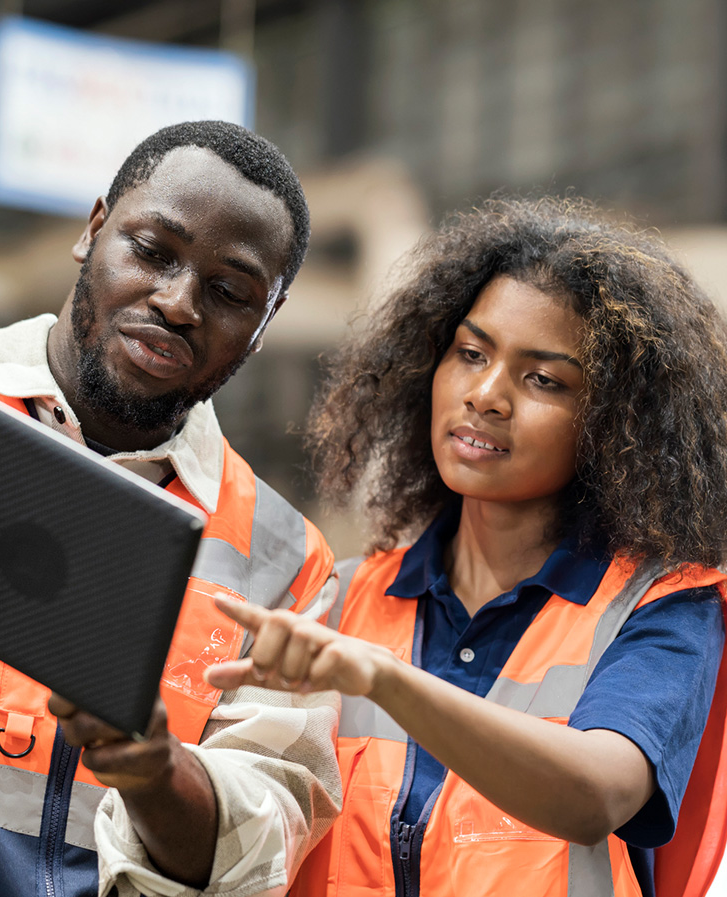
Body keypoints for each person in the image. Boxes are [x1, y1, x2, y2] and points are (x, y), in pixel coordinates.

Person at [204, 195, 727, 897]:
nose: (486, 394)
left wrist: (386, 678)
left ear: (615, 422)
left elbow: (598, 794)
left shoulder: (665, 609)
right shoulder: (342, 596)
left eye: (543, 379)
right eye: (471, 353)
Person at [0, 121, 341, 897]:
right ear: (94, 228)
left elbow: (265, 842)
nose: (177, 303)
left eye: (230, 291)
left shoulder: (285, 561)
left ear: (265, 325)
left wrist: (158, 771)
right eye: (152, 250)